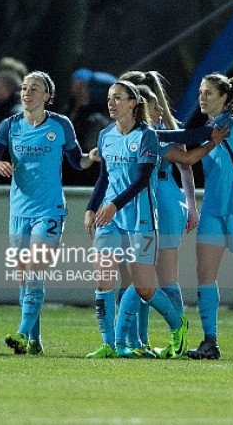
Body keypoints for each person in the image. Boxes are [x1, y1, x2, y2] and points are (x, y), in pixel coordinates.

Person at [113, 73, 227, 356]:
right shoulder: (146, 130)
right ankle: (150, 340)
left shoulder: (145, 133)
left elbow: (186, 159)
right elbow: (186, 163)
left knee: (141, 278)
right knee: (156, 278)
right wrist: (190, 204)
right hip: (160, 201)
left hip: (151, 203)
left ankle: (136, 340)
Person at [0, 70, 93, 355]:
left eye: (35, 89)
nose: (27, 93)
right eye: (24, 88)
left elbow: (76, 162)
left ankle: (21, 333)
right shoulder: (10, 125)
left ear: (47, 96)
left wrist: (91, 158)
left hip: (50, 210)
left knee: (34, 270)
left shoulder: (60, 125)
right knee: (24, 277)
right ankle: (34, 341)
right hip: (19, 211)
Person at [83, 81, 188, 359]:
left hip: (140, 218)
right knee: (103, 280)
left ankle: (179, 327)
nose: (111, 102)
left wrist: (114, 205)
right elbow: (104, 177)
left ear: (133, 103)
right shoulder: (106, 135)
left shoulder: (147, 136)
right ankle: (110, 344)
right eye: (109, 98)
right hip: (111, 217)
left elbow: (143, 179)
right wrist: (91, 208)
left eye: (118, 98)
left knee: (143, 286)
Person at [186, 73, 233, 360]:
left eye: (208, 93)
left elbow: (188, 141)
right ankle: (210, 342)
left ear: (224, 97)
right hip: (214, 210)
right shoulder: (211, 126)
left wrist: (153, 134)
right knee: (205, 275)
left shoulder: (227, 125)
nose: (202, 98)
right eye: (200, 93)